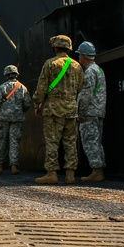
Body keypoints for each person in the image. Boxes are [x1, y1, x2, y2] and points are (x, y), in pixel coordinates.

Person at [32, 34, 84, 184]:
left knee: (52, 142)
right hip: (71, 109)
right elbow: (81, 86)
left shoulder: (50, 64)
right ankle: (70, 174)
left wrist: (37, 104)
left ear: (55, 47)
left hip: (53, 110)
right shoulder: (77, 66)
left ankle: (52, 173)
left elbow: (41, 87)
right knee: (70, 142)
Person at [0, 64, 33, 175]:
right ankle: (14, 166)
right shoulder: (22, 87)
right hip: (17, 117)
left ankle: (0, 166)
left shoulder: (2, 87)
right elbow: (27, 103)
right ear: (16, 74)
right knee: (14, 141)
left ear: (6, 75)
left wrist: (2, 107)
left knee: (3, 140)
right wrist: (20, 110)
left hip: (4, 117)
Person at [76, 42, 107, 182]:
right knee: (97, 141)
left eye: (79, 55)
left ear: (83, 56)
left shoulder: (89, 72)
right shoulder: (99, 70)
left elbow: (86, 94)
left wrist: (80, 111)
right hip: (99, 111)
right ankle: (99, 169)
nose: (78, 58)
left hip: (89, 111)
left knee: (90, 141)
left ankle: (96, 171)